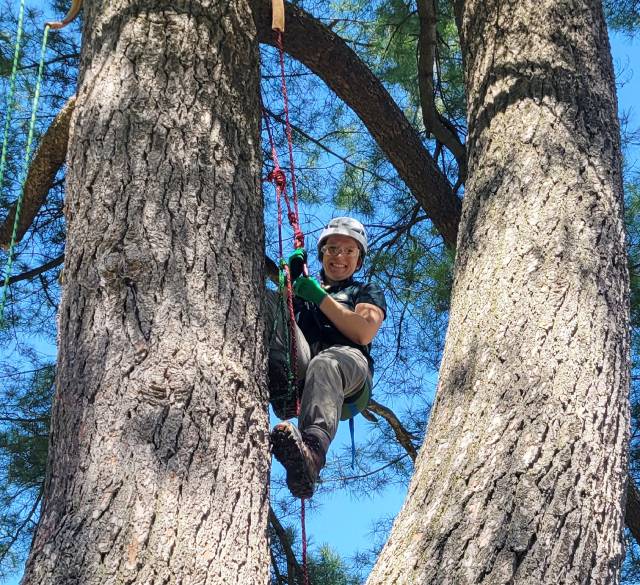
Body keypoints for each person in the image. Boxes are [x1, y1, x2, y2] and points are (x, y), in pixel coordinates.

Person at [268, 217, 386, 499]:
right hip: (303, 369)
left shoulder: (364, 291)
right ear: (322, 254)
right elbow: (281, 319)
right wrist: (289, 286)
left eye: (349, 251)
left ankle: (313, 452)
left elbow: (363, 331)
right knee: (269, 302)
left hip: (347, 367)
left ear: (358, 261)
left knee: (326, 363)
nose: (339, 257)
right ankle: (279, 386)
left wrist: (320, 297)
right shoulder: (303, 289)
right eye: (332, 249)